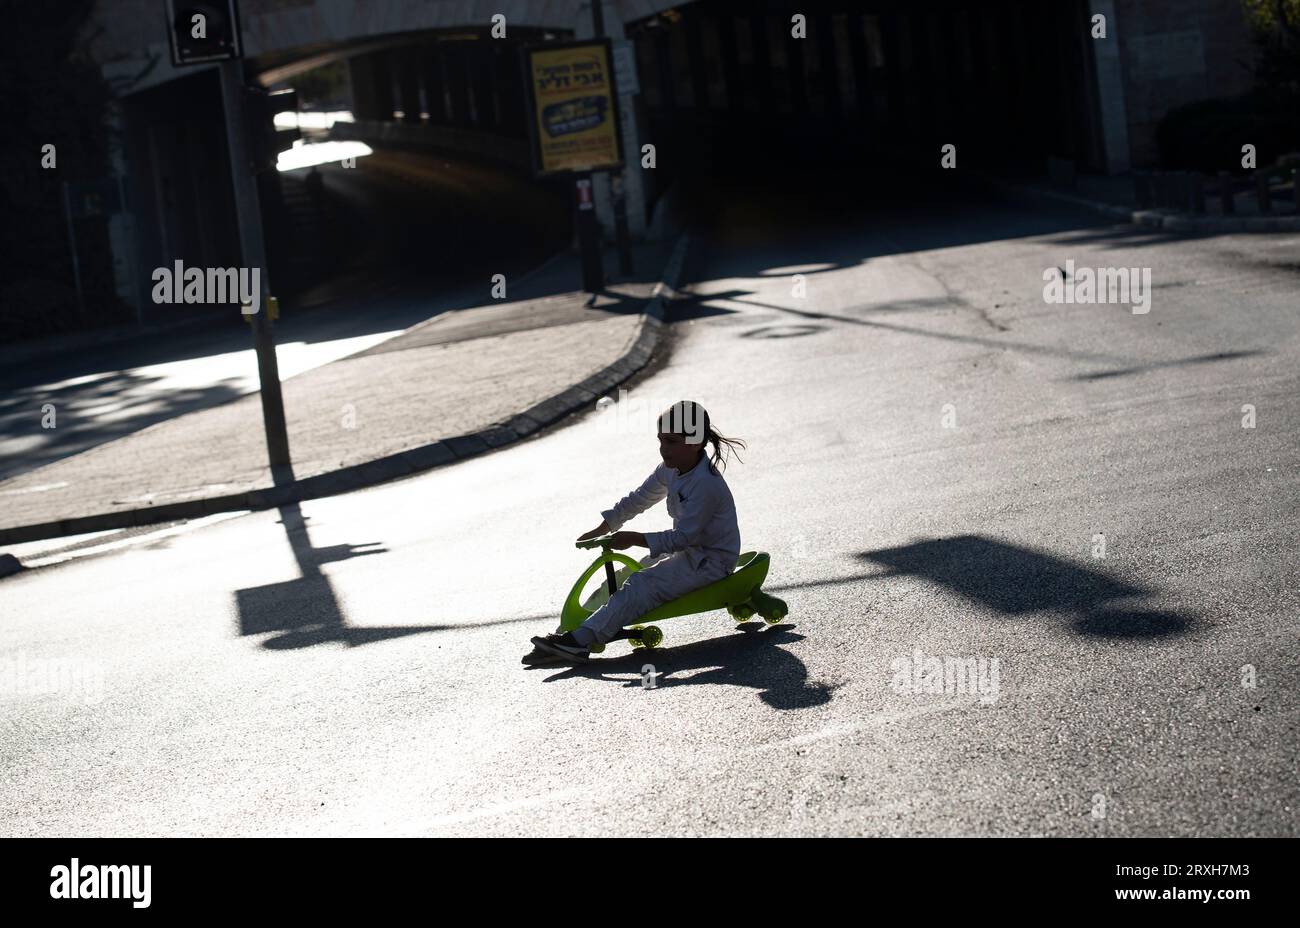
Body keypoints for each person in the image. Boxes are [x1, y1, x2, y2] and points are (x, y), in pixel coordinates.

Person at [525, 400, 746, 664]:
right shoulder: (671, 470)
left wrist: (635, 539)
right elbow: (639, 498)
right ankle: (568, 636)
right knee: (623, 576)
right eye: (661, 440)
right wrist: (604, 527)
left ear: (697, 442)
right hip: (688, 555)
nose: (664, 448)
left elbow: (684, 537)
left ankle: (578, 643)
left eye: (672, 441)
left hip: (710, 562)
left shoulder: (705, 484)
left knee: (642, 584)